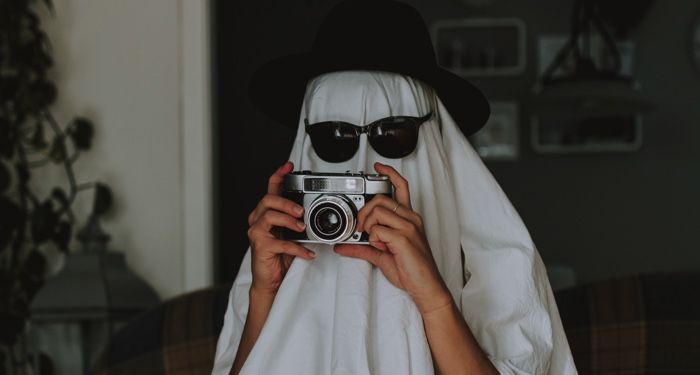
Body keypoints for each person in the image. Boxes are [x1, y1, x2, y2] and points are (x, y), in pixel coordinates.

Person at [213, 1, 577, 374]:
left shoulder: (500, 261)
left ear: (434, 138)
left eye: (393, 133)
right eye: (333, 137)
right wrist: (265, 294)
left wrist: (433, 299)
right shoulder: (269, 263)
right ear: (308, 142)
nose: (364, 168)